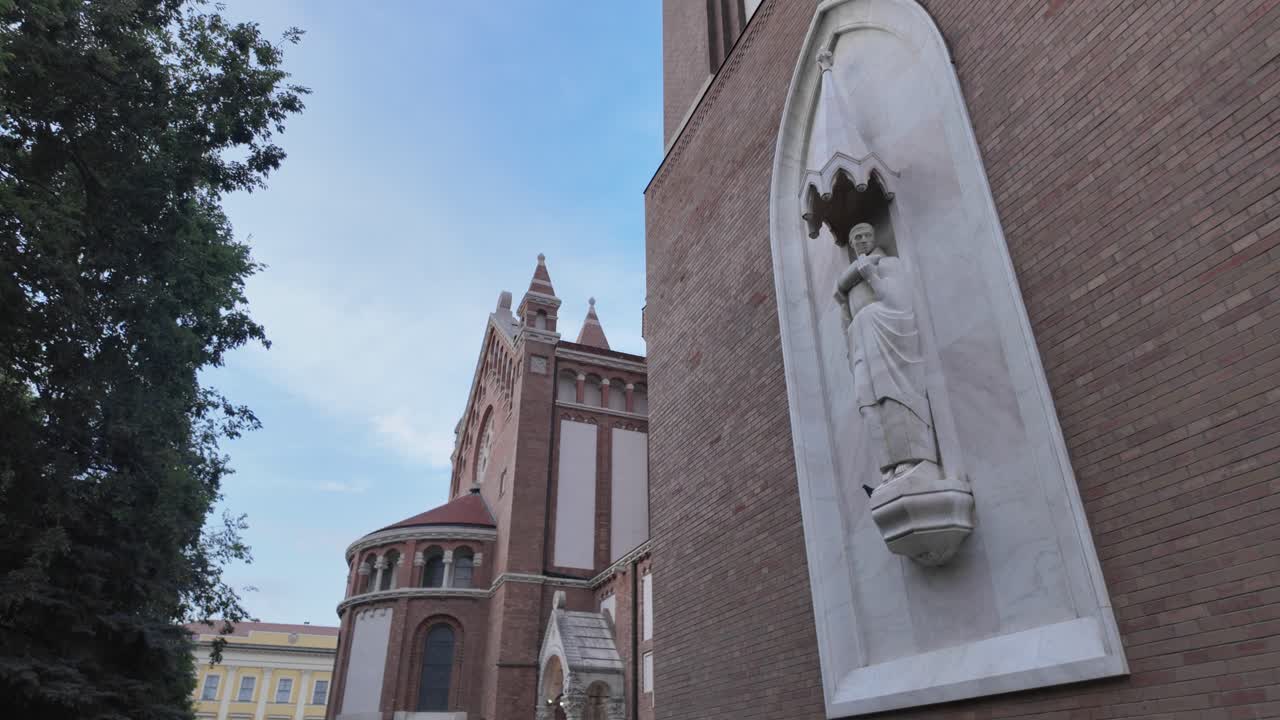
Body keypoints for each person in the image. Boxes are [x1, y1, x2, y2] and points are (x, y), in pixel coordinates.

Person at [834, 223, 939, 484]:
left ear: (873, 238)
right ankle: (888, 465)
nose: (861, 241)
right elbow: (845, 315)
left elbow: (898, 301)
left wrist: (871, 275)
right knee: (868, 405)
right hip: (860, 340)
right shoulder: (850, 283)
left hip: (886, 336)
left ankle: (915, 458)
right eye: (855, 237)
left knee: (892, 397)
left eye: (866, 236)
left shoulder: (887, 265)